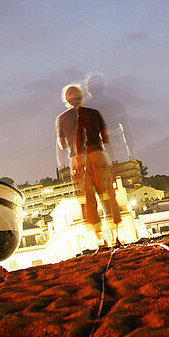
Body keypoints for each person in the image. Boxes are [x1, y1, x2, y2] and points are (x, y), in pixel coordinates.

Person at [55, 83, 122, 249]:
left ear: (66, 100)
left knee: (87, 200)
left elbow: (62, 145)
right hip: (97, 155)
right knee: (107, 194)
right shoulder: (94, 114)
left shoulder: (62, 118)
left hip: (77, 160)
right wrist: (113, 160)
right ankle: (115, 237)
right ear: (81, 96)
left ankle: (100, 241)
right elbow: (105, 138)